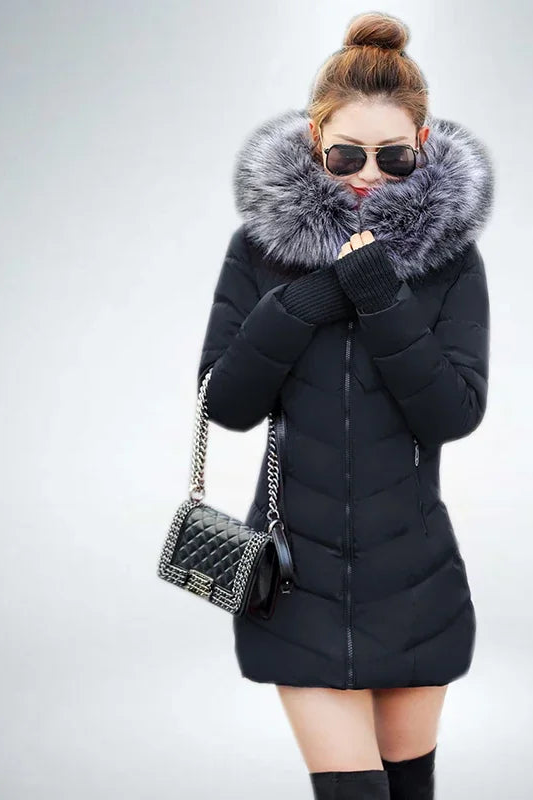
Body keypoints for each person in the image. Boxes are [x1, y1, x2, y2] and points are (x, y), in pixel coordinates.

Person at [196, 11, 494, 799]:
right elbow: (226, 402)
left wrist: (380, 296)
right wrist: (304, 302)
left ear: (422, 145)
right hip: (294, 582)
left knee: (409, 791)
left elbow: (454, 413)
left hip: (416, 581)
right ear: (314, 140)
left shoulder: (451, 263)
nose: (368, 175)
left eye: (393, 156)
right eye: (345, 154)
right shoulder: (260, 251)